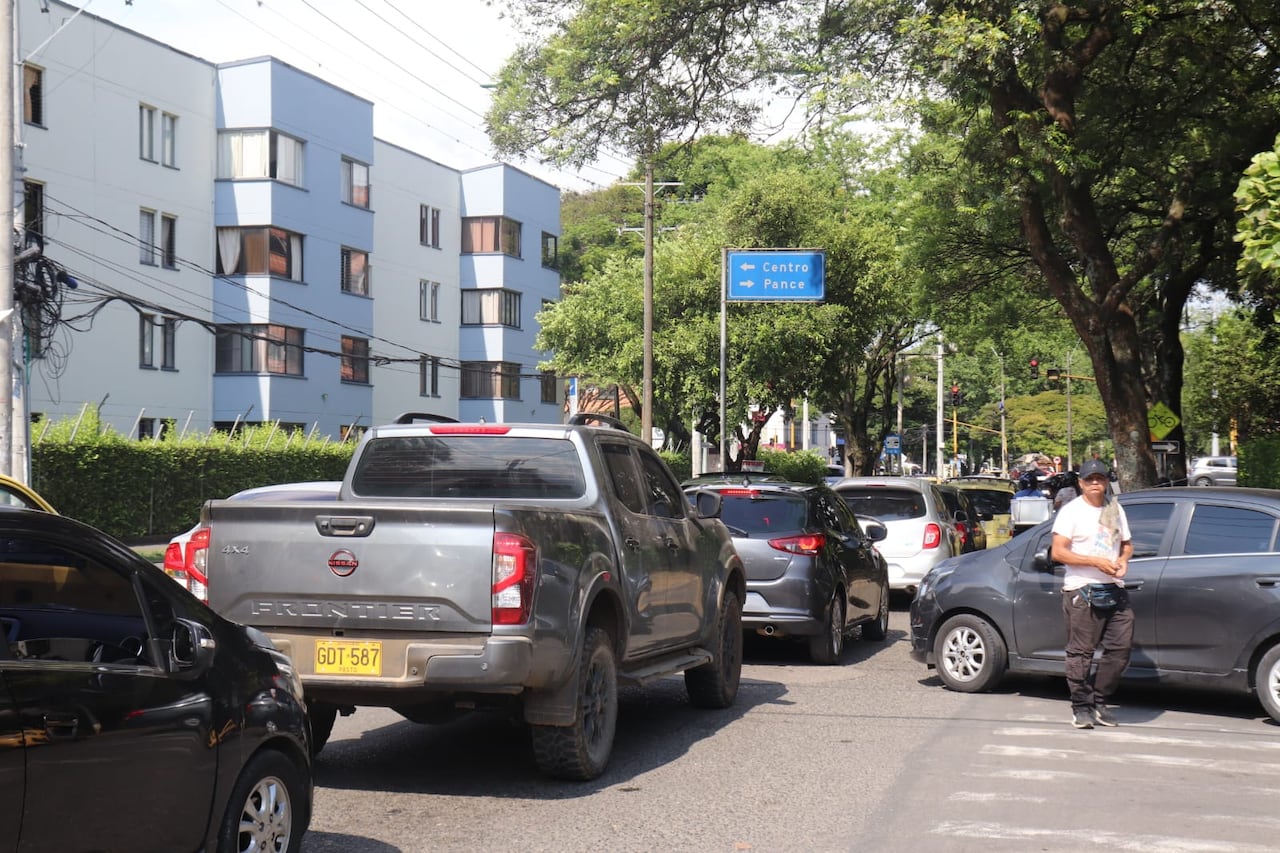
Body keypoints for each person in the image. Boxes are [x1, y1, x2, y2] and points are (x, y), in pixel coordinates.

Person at [1050, 458, 1133, 729]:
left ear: (1107, 481)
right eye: (1090, 479)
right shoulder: (1072, 512)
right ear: (1081, 483)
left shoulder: (1114, 508)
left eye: (1100, 478)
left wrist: (1123, 561)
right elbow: (1058, 552)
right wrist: (1096, 562)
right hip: (1081, 589)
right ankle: (1081, 707)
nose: (1095, 483)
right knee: (1081, 653)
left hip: (1114, 588)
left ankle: (1099, 700)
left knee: (1120, 649)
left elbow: (1127, 544)